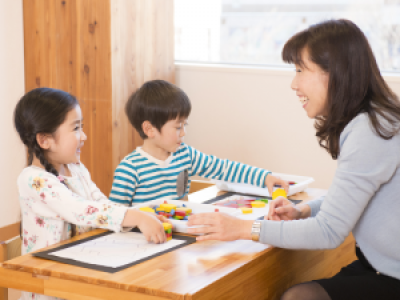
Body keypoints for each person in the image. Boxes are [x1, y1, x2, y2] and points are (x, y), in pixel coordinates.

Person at [187, 19, 400, 300]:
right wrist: (303, 211)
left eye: (300, 70)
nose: (293, 84)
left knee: (298, 297)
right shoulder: (377, 118)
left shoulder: (368, 131)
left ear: (334, 72)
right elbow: (354, 196)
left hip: (390, 274)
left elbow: (328, 232)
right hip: (380, 266)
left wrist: (240, 228)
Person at [14, 88, 169, 300]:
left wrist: (140, 215)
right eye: (76, 128)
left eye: (82, 127)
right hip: (49, 287)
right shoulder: (33, 179)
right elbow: (79, 209)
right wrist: (136, 217)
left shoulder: (77, 169)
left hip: (80, 271)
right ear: (45, 140)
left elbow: (100, 202)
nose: (84, 136)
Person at [109, 80, 288, 206]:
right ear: (149, 129)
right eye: (178, 127)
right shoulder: (130, 169)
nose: (184, 133)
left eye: (184, 125)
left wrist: (265, 177)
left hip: (180, 235)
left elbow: (223, 168)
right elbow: (114, 216)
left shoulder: (185, 155)